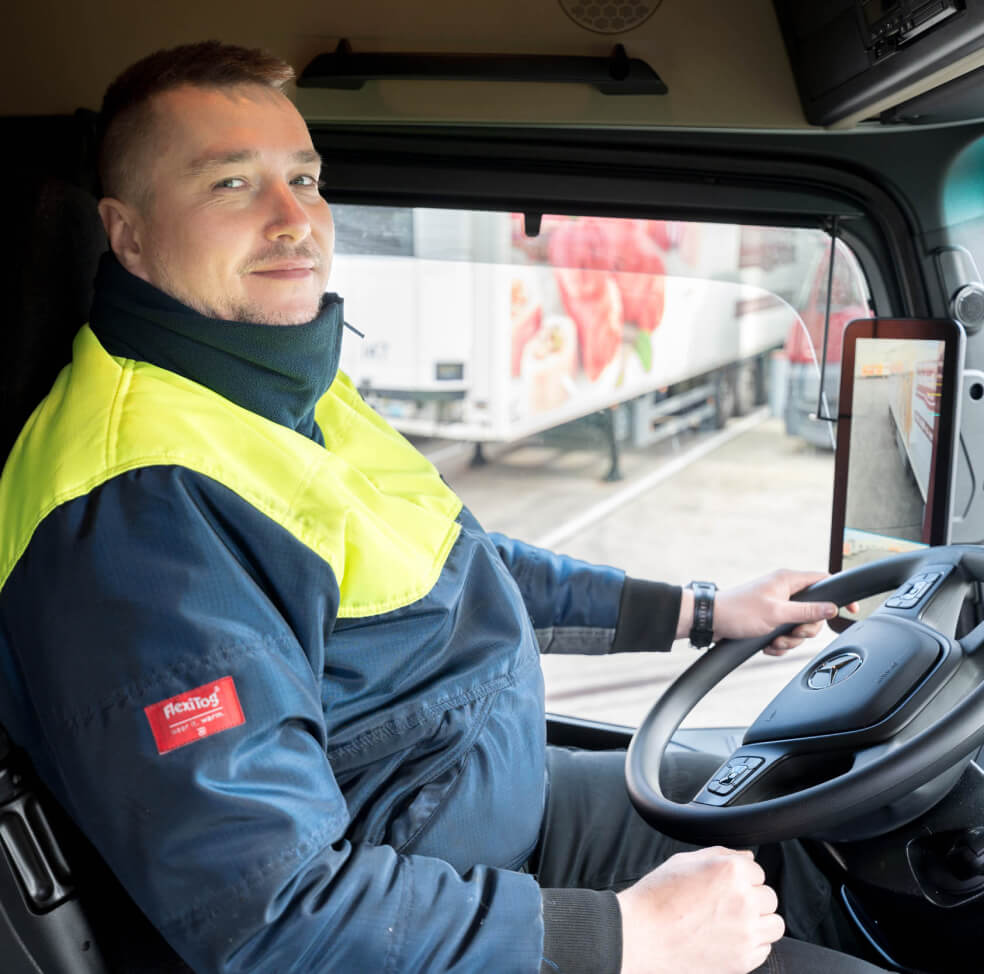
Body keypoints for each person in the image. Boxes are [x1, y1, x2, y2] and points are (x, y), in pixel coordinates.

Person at [0, 41, 889, 974]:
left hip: (475, 820)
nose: (293, 218)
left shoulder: (259, 389)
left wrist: (702, 611)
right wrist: (628, 937)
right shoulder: (136, 517)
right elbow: (272, 916)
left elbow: (452, 564)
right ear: (126, 232)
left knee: (783, 836)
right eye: (232, 185)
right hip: (408, 908)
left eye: (305, 178)